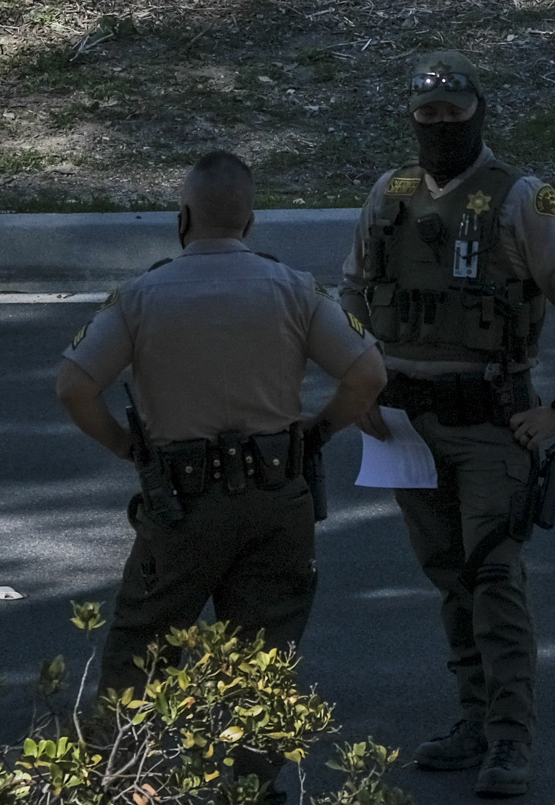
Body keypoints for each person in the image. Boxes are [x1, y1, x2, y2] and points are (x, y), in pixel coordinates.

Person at [341, 52, 555, 800]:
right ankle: (472, 719)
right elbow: (353, 293)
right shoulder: (387, 194)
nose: (439, 127)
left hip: (493, 419)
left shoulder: (526, 198)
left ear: (478, 113)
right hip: (404, 422)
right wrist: (360, 383)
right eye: (426, 115)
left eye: (453, 114)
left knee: (493, 572)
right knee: (448, 576)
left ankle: (510, 737)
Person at [56, 149, 390, 711]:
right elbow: (367, 373)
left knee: (142, 654)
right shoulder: (295, 288)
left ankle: (122, 782)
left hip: (182, 505)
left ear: (182, 218)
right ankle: (254, 784)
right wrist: (320, 429)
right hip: (276, 496)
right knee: (264, 660)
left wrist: (121, 443)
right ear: (250, 222)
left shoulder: (142, 295)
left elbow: (73, 385)